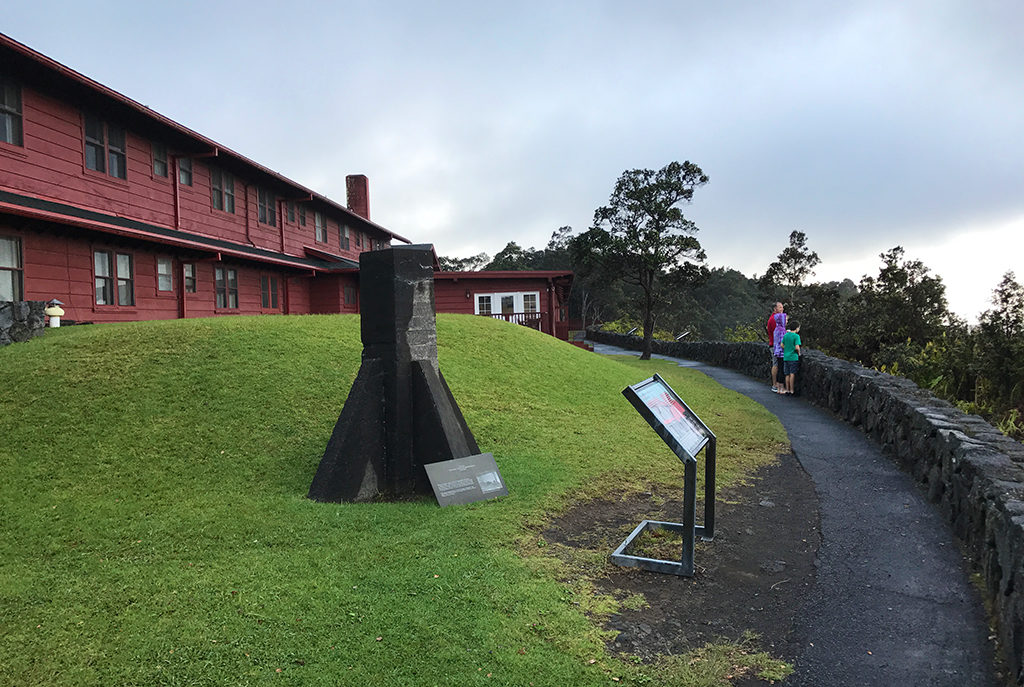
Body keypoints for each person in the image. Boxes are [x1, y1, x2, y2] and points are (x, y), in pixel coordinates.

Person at [766, 302, 787, 393]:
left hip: (774, 345)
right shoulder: (775, 319)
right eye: (780, 307)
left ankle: (776, 385)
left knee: (776, 364)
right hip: (775, 346)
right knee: (776, 364)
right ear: (775, 309)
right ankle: (775, 385)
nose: (782, 309)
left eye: (782, 307)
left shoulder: (774, 318)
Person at [782, 320, 802, 395]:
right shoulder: (796, 336)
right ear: (796, 328)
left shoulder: (786, 335)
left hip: (786, 357)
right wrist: (799, 353)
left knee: (787, 374)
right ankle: (792, 390)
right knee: (792, 374)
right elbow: (797, 347)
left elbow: (782, 345)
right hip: (793, 357)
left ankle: (787, 389)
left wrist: (787, 348)